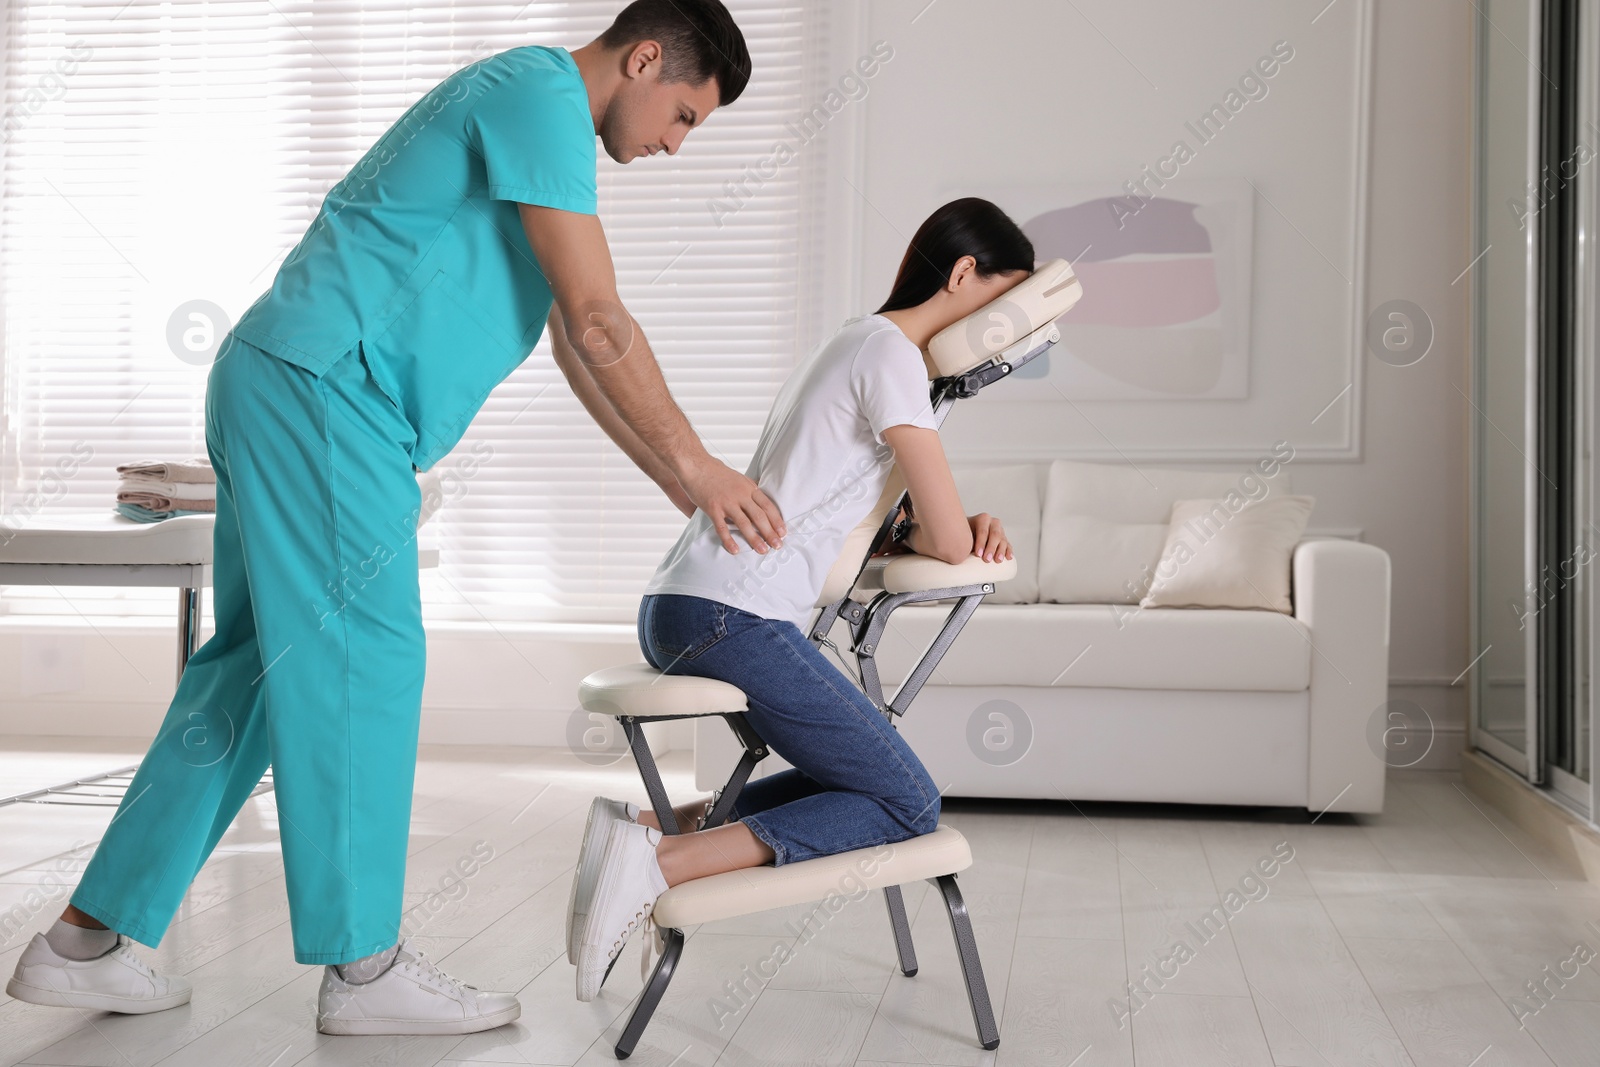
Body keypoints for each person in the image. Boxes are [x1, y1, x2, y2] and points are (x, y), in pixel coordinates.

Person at [6, 0, 789, 1037]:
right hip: (331, 396)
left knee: (251, 668)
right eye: (684, 115)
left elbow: (572, 341)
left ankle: (87, 940)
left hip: (291, 382)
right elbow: (602, 321)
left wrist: (674, 479)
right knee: (364, 660)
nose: (677, 145)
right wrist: (700, 462)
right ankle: (364, 967)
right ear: (644, 58)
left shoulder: (539, 132)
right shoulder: (540, 95)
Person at [566, 197, 1031, 1001]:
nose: (1008, 331)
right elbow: (951, 544)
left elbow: (891, 524)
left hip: (693, 600)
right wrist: (961, 527)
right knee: (908, 798)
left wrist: (951, 521)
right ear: (964, 277)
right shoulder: (893, 357)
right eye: (1005, 304)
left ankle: (651, 828)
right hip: (729, 612)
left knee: (866, 774)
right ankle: (657, 865)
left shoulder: (861, 342)